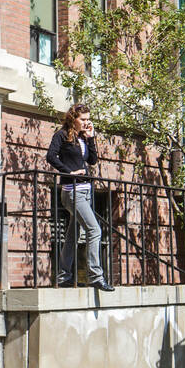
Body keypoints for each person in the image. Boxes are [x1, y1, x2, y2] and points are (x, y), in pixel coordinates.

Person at [46, 103, 114, 291]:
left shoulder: (83, 137)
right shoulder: (61, 135)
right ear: (73, 118)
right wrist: (69, 172)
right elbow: (51, 156)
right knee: (95, 230)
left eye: (88, 119)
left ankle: (63, 276)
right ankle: (95, 276)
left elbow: (92, 160)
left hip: (86, 191)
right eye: (83, 119)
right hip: (72, 191)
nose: (86, 122)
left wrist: (91, 139)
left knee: (72, 235)